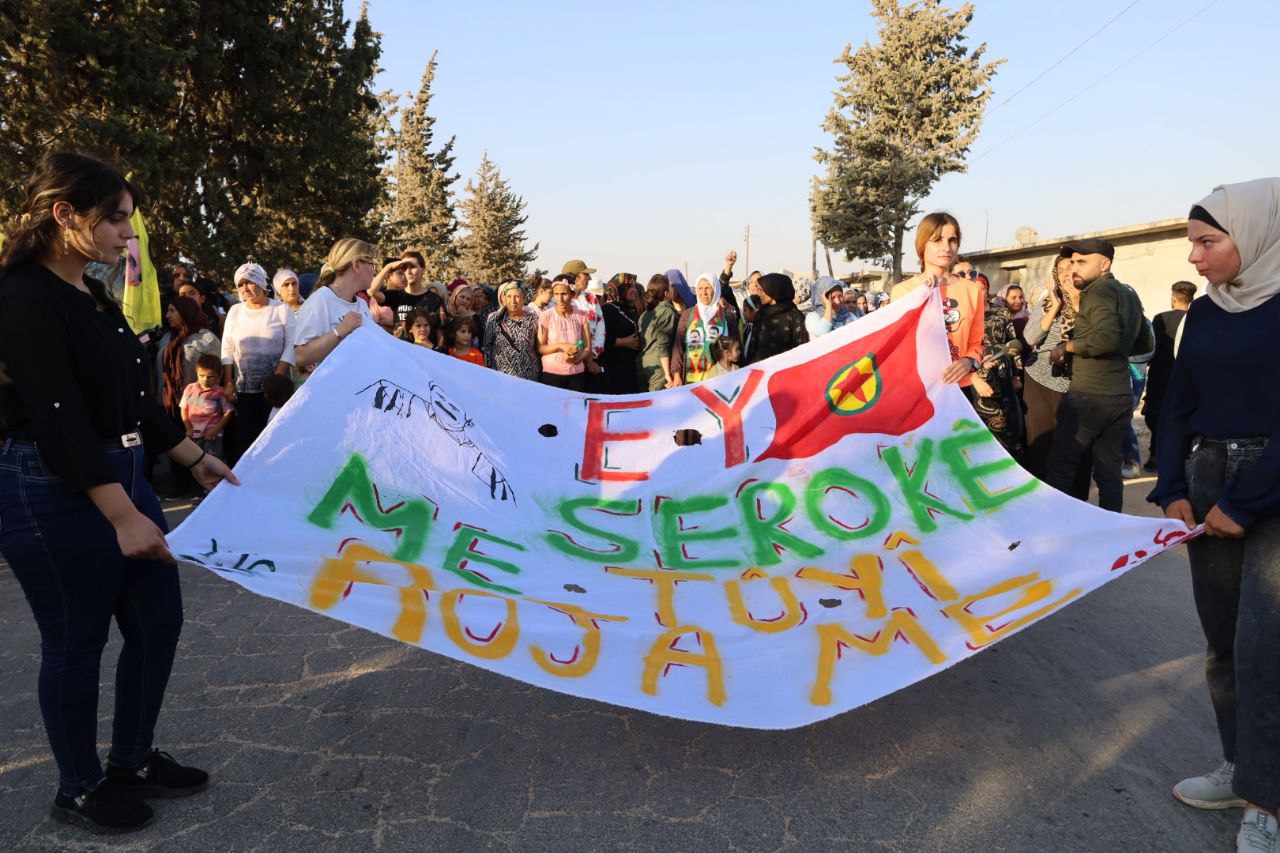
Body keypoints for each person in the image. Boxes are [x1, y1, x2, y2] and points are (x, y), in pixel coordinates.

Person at [0, 152, 237, 833]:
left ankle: (131, 761)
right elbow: (58, 417)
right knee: (76, 640)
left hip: (121, 475)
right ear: (64, 214)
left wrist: (193, 457)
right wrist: (122, 515)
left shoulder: (90, 292)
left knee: (159, 622)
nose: (128, 234)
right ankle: (79, 787)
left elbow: (133, 399)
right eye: (116, 219)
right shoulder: (21, 297)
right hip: (52, 487)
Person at [1149, 178, 1280, 853]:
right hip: (1208, 482)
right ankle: (1239, 766)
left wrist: (1246, 500)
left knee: (1267, 648)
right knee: (1223, 640)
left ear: (1254, 235)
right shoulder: (1202, 313)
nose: (1193, 257)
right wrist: (1172, 484)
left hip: (1270, 488)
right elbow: (1177, 406)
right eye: (1192, 243)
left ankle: (1267, 800)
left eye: (1207, 242)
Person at [1044, 238, 1150, 512]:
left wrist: (1066, 346)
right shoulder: (1128, 293)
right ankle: (1109, 526)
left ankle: (1053, 527)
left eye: (1082, 262)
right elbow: (1144, 342)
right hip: (1119, 394)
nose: (1074, 268)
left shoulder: (1098, 292)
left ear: (1104, 264)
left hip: (1089, 395)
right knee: (1108, 471)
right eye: (1072, 262)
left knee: (1061, 467)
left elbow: (1106, 339)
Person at [890, 212, 985, 388]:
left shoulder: (972, 291)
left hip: (959, 389)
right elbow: (897, 345)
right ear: (922, 245)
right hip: (918, 388)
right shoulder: (903, 292)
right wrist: (922, 296)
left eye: (952, 240)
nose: (946, 248)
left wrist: (968, 362)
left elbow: (977, 343)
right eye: (937, 240)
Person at [220, 262, 295, 465]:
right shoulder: (235, 311)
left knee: (275, 440)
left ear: (261, 283)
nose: (245, 288)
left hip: (276, 391)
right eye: (241, 284)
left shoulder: (281, 309)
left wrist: (276, 378)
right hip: (245, 389)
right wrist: (228, 381)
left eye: (250, 282)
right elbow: (227, 347)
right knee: (247, 441)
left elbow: (291, 345)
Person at [1022, 256, 1087, 485]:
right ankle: (1041, 495)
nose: (1066, 273)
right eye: (1060, 270)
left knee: (1070, 448)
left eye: (1072, 267)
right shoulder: (1047, 301)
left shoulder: (1092, 301)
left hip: (1073, 384)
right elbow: (1030, 337)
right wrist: (1056, 306)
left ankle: (1069, 499)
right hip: (1038, 380)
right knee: (1040, 445)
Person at [292, 238, 376, 375]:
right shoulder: (320, 300)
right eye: (372, 264)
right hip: (335, 386)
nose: (374, 271)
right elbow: (302, 356)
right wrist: (340, 330)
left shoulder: (361, 303)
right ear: (357, 265)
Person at [1142, 280, 1197, 469]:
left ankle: (1155, 455)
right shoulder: (1195, 319)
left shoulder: (1161, 319)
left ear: (1173, 297)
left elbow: (1153, 347)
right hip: (1185, 376)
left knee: (1157, 415)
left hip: (1160, 376)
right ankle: (1181, 455)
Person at [972, 276, 1026, 460]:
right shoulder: (967, 314)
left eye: (982, 288)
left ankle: (1010, 460)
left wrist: (1016, 375)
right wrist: (980, 362)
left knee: (1009, 418)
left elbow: (1012, 343)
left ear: (988, 290)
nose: (979, 292)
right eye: (974, 288)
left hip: (1003, 370)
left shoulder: (1001, 312)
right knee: (985, 420)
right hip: (978, 374)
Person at [671, 272, 740, 385]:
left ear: (716, 289)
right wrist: (676, 374)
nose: (704, 292)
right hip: (692, 381)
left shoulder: (726, 314)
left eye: (708, 288)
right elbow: (678, 347)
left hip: (720, 379)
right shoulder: (687, 315)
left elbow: (735, 345)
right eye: (700, 288)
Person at [537, 275, 594, 391]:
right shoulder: (546, 316)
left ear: (572, 294)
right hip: (551, 375)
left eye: (564, 294)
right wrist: (561, 346)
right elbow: (540, 348)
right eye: (556, 294)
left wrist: (576, 359)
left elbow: (587, 347)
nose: (560, 299)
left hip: (576, 375)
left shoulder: (581, 315)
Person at [180, 354, 233, 462]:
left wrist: (216, 429)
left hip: (213, 436)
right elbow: (184, 409)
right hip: (194, 435)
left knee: (213, 461)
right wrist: (188, 428)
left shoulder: (220, 392)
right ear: (196, 372)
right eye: (202, 375)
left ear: (219, 375)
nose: (205, 380)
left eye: (210, 376)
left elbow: (228, 412)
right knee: (196, 462)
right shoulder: (189, 389)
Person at [746, 272, 808, 363]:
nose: (758, 293)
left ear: (773, 291)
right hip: (762, 369)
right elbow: (753, 347)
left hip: (785, 368)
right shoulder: (761, 314)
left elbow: (801, 349)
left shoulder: (795, 316)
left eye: (761, 290)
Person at [483, 281, 539, 381]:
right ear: (504, 298)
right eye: (509, 296)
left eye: (517, 296)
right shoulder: (494, 319)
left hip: (528, 377)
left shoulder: (533, 320)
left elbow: (538, 347)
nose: (513, 301)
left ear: (524, 298)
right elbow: (487, 347)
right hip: (500, 376)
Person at [599, 277, 642, 393]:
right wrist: (622, 342)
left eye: (634, 287)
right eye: (629, 287)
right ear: (618, 289)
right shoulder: (608, 310)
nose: (634, 290)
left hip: (631, 366)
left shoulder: (632, 308)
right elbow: (600, 338)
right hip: (616, 368)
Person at [637, 273, 679, 391]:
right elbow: (663, 345)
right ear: (666, 293)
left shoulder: (644, 314)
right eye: (670, 287)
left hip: (644, 366)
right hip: (659, 370)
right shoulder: (667, 313)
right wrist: (667, 373)